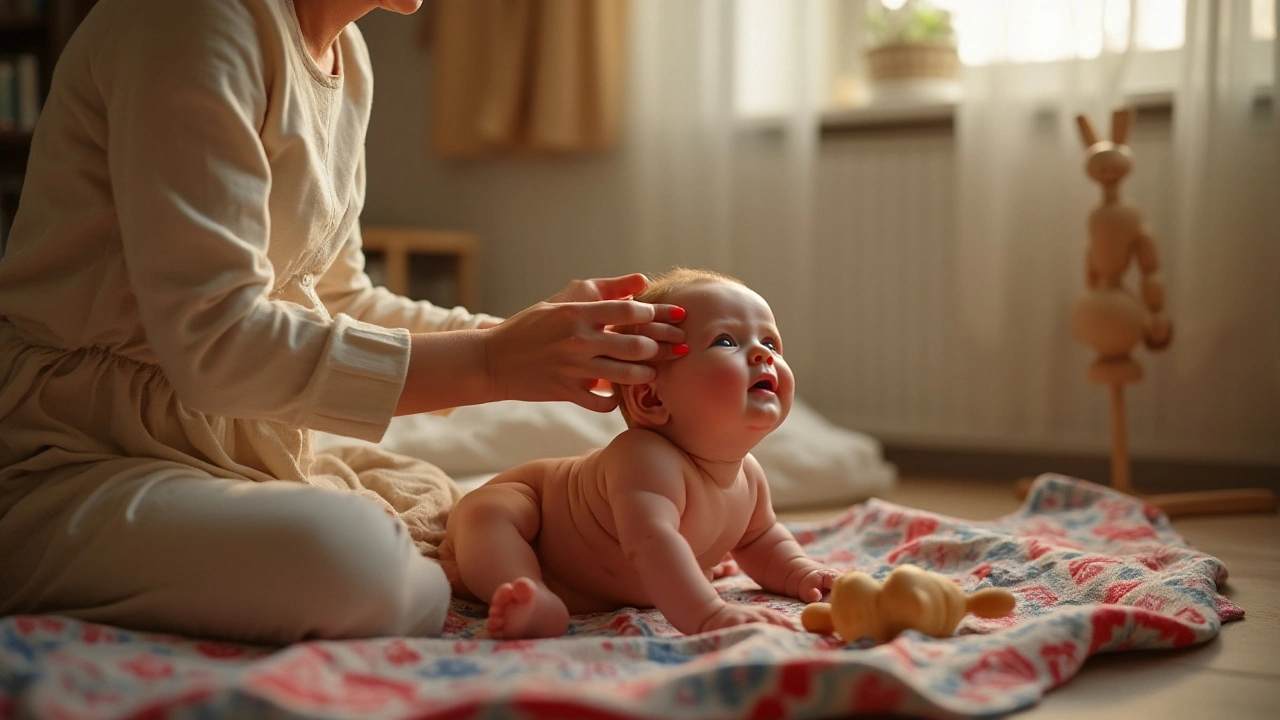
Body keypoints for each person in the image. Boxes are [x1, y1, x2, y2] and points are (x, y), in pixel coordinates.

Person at [0, 0, 685, 646]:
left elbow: (337, 298)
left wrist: (530, 337)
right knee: (354, 563)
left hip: (236, 447)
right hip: (70, 457)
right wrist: (491, 362)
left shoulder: (345, 54)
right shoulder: (194, 19)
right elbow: (214, 345)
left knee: (483, 513)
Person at [438, 268, 838, 639]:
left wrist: (802, 573)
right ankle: (524, 591)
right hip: (535, 519)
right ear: (650, 396)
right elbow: (652, 542)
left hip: (594, 584)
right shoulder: (645, 458)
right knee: (487, 512)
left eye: (770, 342)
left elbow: (762, 540)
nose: (762, 354)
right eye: (726, 341)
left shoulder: (749, 476)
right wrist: (708, 613)